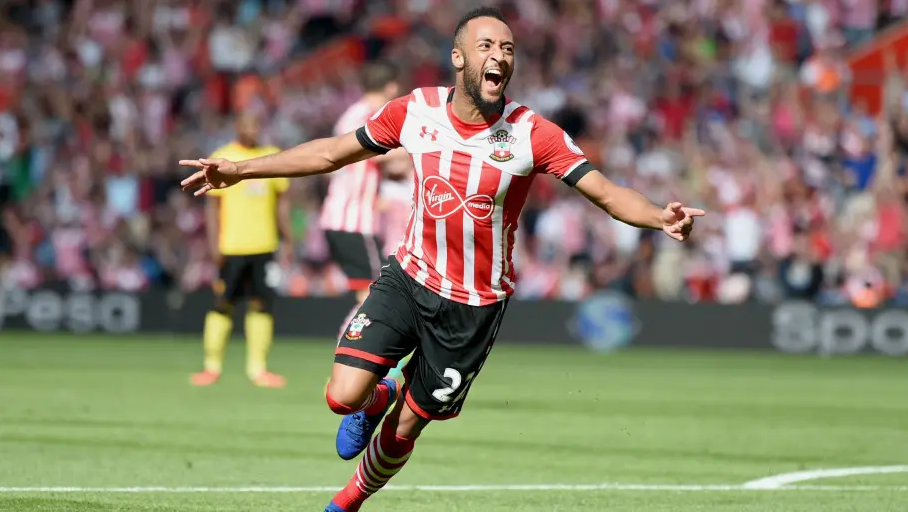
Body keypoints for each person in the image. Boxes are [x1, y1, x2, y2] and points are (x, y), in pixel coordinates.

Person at [179, 7, 705, 511]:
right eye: (486, 45)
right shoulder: (416, 111)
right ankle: (380, 392)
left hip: (473, 308)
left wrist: (659, 216)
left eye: (508, 48)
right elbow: (330, 153)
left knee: (407, 427)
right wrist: (242, 171)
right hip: (408, 278)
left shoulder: (532, 133)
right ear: (458, 58)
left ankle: (346, 503)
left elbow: (607, 193)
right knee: (342, 396)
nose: (499, 55)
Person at [321, 61, 413, 383]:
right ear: (391, 87)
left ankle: (353, 364)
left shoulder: (349, 115)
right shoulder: (369, 117)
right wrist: (419, 150)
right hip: (354, 220)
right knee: (374, 296)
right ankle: (347, 359)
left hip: (339, 216)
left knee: (370, 292)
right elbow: (380, 155)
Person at [190, 113, 293, 389]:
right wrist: (213, 243)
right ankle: (211, 366)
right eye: (248, 124)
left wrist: (288, 240)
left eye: (257, 124)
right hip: (231, 246)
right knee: (222, 303)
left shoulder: (272, 157)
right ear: (237, 126)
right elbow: (212, 207)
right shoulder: (222, 157)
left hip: (264, 245)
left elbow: (282, 203)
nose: (253, 129)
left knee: (261, 304)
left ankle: (258, 369)